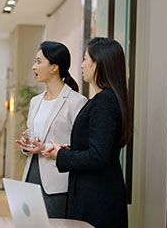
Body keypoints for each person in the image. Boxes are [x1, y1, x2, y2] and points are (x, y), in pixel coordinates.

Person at [42, 37, 131, 227]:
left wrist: (63, 155)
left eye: (85, 59)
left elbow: (97, 156)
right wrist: (66, 149)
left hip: (97, 198)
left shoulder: (104, 102)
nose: (81, 65)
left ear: (99, 63)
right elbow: (96, 146)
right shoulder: (103, 99)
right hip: (96, 192)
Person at [15, 41, 87, 218]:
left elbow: (79, 149)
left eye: (39, 61)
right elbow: (33, 135)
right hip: (31, 174)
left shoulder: (76, 102)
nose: (34, 67)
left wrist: (44, 147)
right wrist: (27, 144)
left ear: (54, 67)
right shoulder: (35, 101)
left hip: (57, 181)